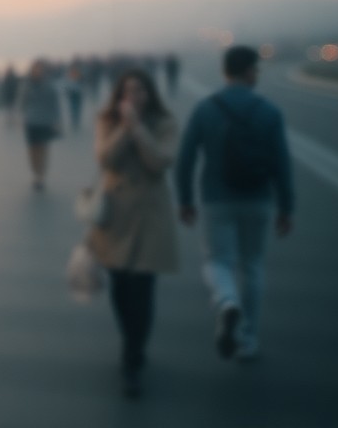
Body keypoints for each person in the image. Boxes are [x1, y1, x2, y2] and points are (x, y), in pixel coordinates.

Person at [175, 45, 294, 363]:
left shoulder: (205, 109)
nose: (257, 74)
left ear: (225, 71)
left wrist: (185, 200)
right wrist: (286, 207)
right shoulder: (270, 112)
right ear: (247, 71)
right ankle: (248, 339)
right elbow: (282, 164)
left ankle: (227, 302)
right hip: (258, 200)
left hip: (216, 200)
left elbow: (185, 159)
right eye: (256, 69)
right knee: (253, 267)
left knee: (217, 262)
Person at [87, 69, 179, 398]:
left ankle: (132, 358)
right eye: (128, 90)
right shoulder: (107, 120)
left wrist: (139, 128)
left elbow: (160, 161)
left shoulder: (165, 122)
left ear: (150, 93)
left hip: (149, 215)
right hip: (116, 216)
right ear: (119, 94)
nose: (134, 96)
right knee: (121, 286)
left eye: (140, 90)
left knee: (142, 285)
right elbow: (105, 159)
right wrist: (125, 128)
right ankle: (132, 340)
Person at [17, 59, 62, 190]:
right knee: (32, 150)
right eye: (35, 69)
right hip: (31, 121)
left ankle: (40, 175)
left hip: (45, 121)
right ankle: (35, 171)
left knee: (43, 149)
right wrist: (20, 117)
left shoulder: (49, 85)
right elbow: (21, 102)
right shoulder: (26, 84)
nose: (38, 71)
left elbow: (55, 103)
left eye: (40, 69)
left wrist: (57, 120)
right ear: (31, 70)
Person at [64, 64, 85, 132]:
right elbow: (66, 88)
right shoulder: (68, 79)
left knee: (77, 110)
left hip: (78, 96)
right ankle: (74, 123)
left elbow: (83, 87)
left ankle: (76, 122)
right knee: (73, 110)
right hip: (72, 96)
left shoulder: (80, 78)